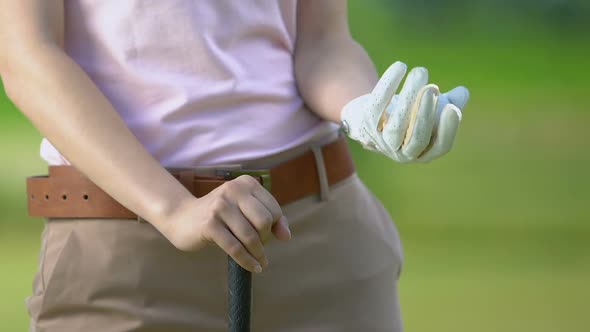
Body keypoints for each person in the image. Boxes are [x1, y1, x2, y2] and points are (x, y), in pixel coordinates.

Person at [0, 1, 469, 331]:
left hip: (317, 235)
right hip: (123, 258)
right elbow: (27, 56)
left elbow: (322, 42)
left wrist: (368, 110)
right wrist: (174, 208)